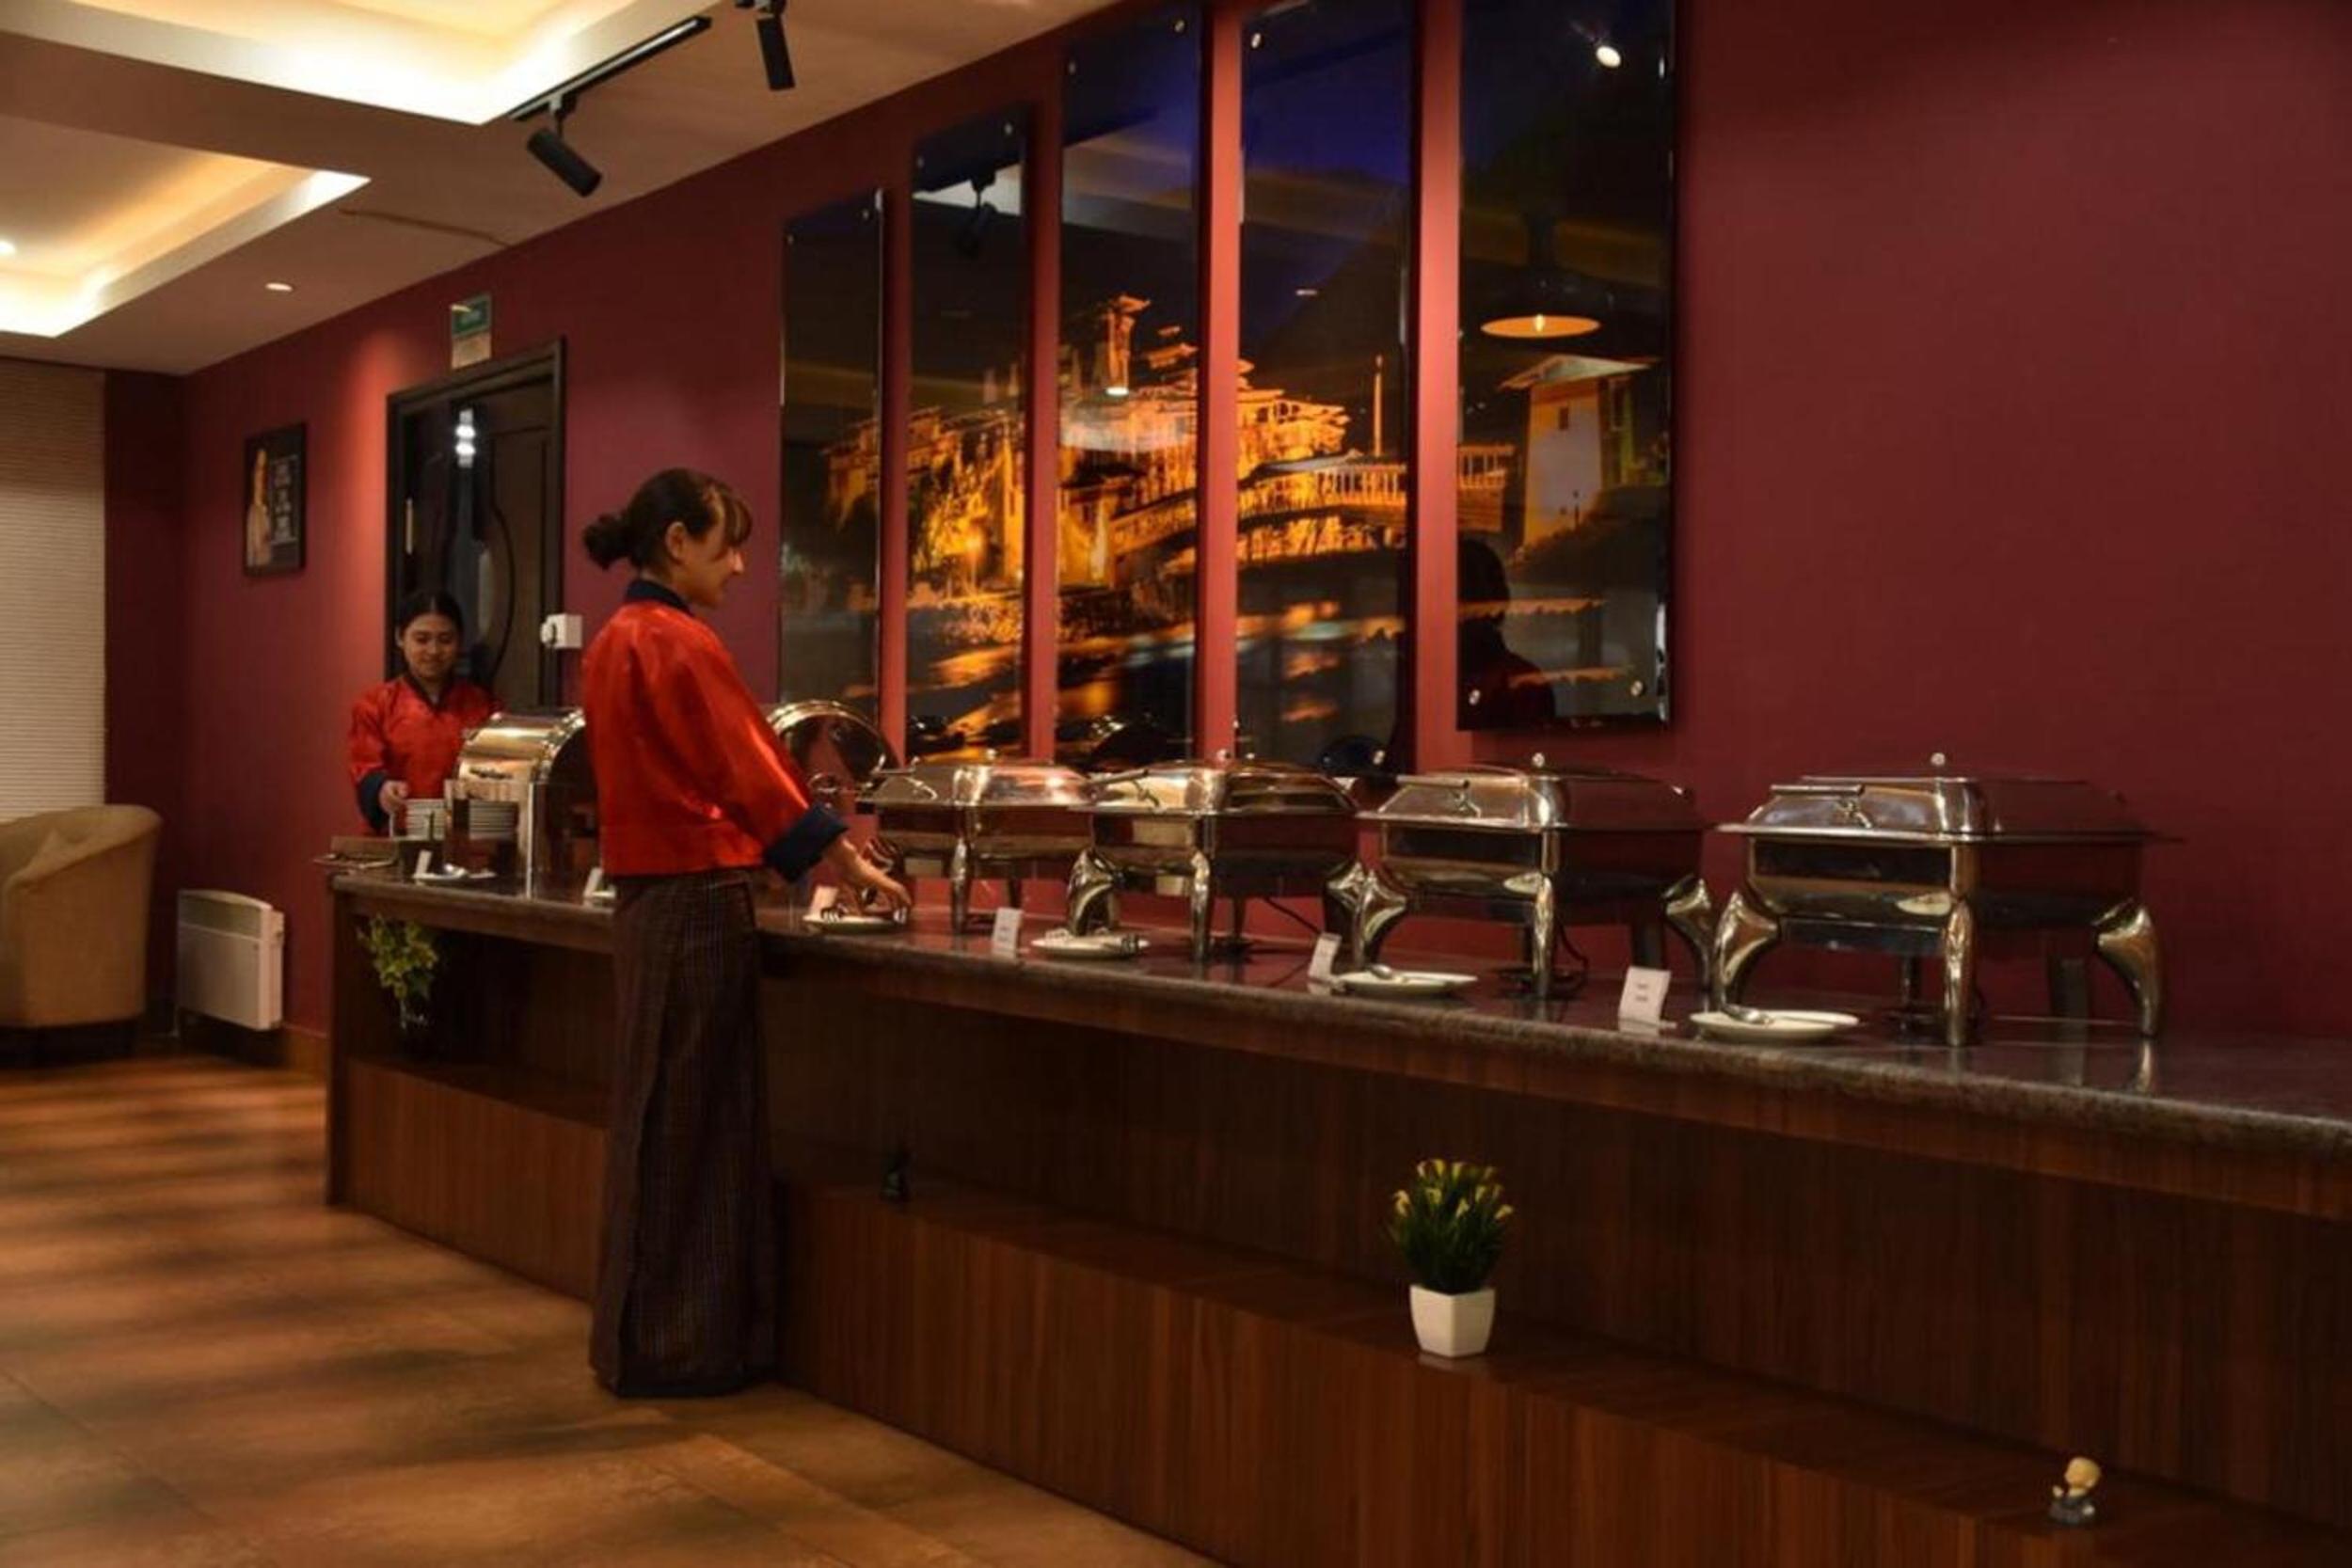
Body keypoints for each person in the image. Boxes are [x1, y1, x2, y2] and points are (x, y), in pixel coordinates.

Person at [580, 467, 907, 1397]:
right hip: (697, 900)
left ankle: (639, 1336)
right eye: (728, 546)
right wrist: (847, 862)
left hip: (646, 900)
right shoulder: (680, 642)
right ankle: (691, 1344)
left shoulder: (611, 641)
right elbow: (753, 769)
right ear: (677, 542)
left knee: (656, 1115)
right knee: (705, 1122)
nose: (740, 565)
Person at [346, 591, 498, 832]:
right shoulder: (375, 705)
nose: (434, 651)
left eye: (445, 640)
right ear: (400, 638)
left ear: (460, 641)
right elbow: (365, 767)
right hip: (397, 837)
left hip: (466, 836)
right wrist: (383, 790)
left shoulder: (484, 706)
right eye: (421, 639)